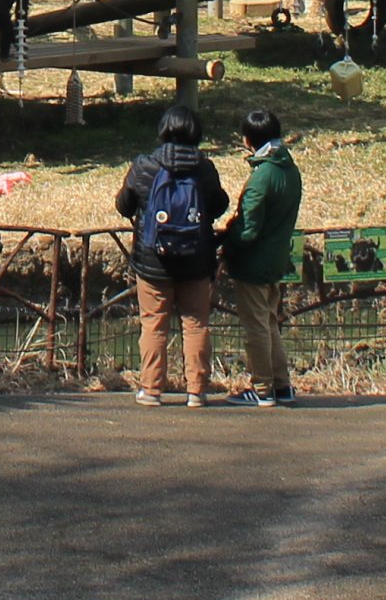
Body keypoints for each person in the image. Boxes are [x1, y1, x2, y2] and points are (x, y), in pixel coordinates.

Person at [117, 104, 228, 407]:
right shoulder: (204, 168)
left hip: (154, 261)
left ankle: (151, 390)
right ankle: (197, 390)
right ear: (196, 132)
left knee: (153, 324)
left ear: (164, 130)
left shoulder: (144, 166)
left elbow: (124, 205)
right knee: (195, 324)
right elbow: (219, 205)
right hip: (196, 260)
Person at [224, 107, 300, 405]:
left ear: (248, 140)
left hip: (254, 262)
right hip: (276, 258)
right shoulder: (289, 169)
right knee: (269, 323)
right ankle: (282, 385)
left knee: (256, 327)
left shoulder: (261, 177)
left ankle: (263, 388)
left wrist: (228, 245)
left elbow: (248, 229)